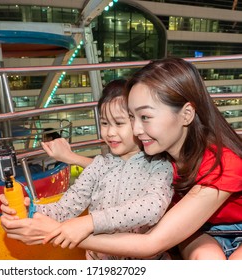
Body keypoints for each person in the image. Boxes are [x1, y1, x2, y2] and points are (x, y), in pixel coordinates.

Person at [43, 57, 242, 260]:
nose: (137, 130)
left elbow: (151, 242)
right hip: (201, 231)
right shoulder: (159, 154)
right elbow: (117, 169)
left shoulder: (222, 164)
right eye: (132, 118)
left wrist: (65, 231)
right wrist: (71, 157)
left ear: (186, 114)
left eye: (145, 117)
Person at [0, 79, 174, 260]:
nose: (110, 133)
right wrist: (31, 210)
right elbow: (65, 208)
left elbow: (152, 208)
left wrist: (91, 223)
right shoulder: (98, 165)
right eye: (105, 123)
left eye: (119, 123)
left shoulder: (159, 165)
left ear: (138, 123)